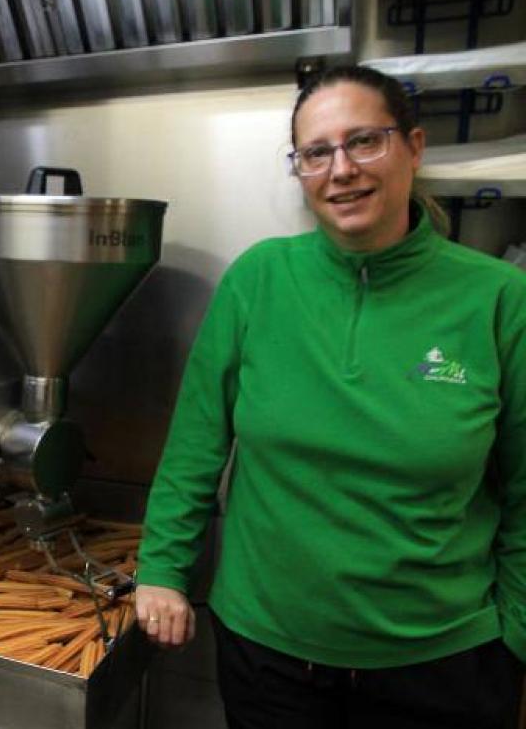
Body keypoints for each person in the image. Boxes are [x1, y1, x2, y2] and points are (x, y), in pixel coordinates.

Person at [135, 65, 525, 728]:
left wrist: (514, 640)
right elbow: (195, 448)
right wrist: (162, 569)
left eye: (364, 141)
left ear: (414, 147)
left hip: (442, 668)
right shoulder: (258, 280)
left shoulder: (498, 298)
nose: (341, 169)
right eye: (317, 152)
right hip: (270, 663)